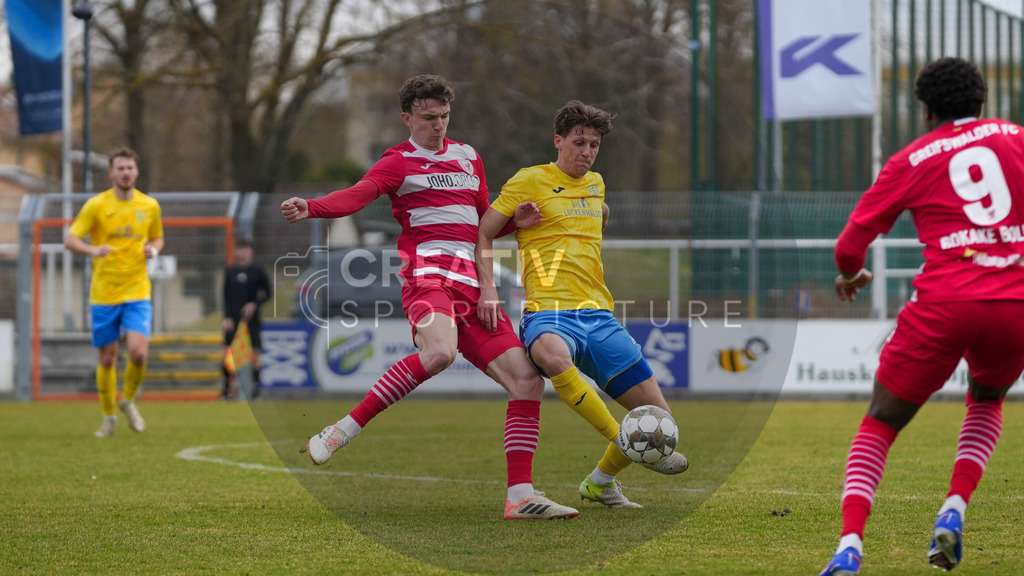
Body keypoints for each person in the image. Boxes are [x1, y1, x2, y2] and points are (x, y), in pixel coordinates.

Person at [280, 74, 578, 520]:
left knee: (528, 381)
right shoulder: (397, 161)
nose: (438, 125)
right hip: (427, 278)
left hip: (473, 286)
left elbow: (483, 223)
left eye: (444, 116)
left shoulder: (467, 157)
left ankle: (520, 496)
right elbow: (357, 196)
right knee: (441, 352)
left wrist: (516, 220)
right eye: (427, 117)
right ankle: (342, 430)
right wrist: (313, 206)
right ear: (406, 118)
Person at [819, 57, 1024, 575]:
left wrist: (851, 277)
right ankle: (954, 508)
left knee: (881, 422)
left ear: (927, 111)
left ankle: (849, 547)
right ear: (982, 104)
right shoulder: (1018, 138)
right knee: (987, 397)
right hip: (1017, 301)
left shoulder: (911, 159)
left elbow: (850, 247)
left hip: (946, 300)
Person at [475, 100, 689, 510]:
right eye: (578, 142)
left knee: (663, 423)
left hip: (600, 316)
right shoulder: (529, 180)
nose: (586, 152)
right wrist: (489, 288)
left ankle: (600, 482)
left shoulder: (597, 184)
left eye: (593, 144)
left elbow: (597, 214)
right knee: (553, 358)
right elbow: (483, 234)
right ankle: (621, 436)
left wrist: (598, 216)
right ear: (558, 141)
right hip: (549, 312)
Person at [64, 147, 164, 438]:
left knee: (138, 352)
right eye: (120, 168)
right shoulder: (96, 205)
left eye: (129, 168)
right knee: (107, 359)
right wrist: (92, 249)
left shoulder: (149, 206)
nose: (125, 173)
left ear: (136, 172)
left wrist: (152, 250)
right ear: (111, 173)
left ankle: (128, 401)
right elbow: (70, 239)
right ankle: (108, 418)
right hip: (104, 293)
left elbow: (158, 238)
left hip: (137, 291)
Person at [222, 236, 271, 400]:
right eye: (239, 249)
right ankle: (227, 391)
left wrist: (254, 304)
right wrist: (227, 317)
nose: (241, 253)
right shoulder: (230, 271)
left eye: (245, 249)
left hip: (252, 320)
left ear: (251, 252)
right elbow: (225, 296)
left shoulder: (258, 271)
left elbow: (268, 293)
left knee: (256, 355)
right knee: (228, 355)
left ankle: (256, 392)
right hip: (233, 320)